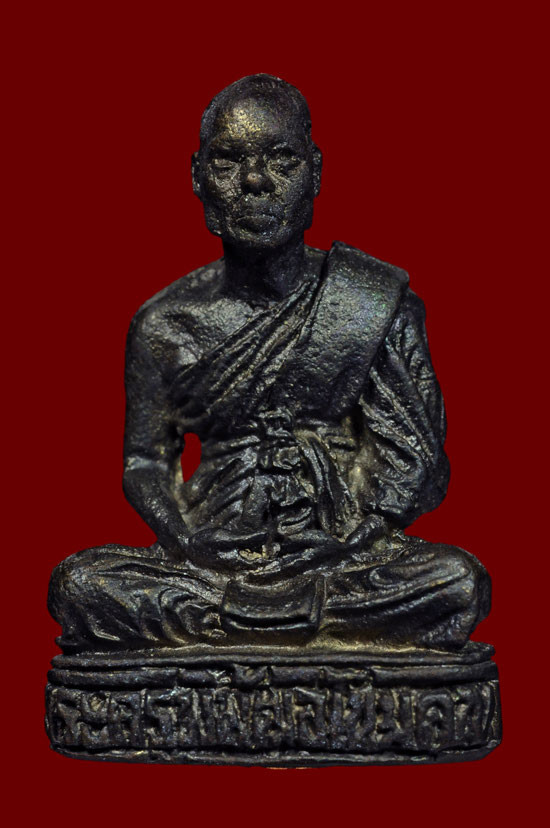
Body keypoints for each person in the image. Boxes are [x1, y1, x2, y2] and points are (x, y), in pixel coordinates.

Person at [48, 74, 490, 652]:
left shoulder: (371, 303)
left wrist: (357, 536)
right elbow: (145, 461)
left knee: (457, 581)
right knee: (80, 585)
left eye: (282, 161)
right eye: (228, 162)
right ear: (197, 177)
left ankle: (241, 624)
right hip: (212, 559)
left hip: (340, 555)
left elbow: (415, 459)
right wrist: (184, 540)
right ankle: (275, 621)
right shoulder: (165, 325)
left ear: (316, 173)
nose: (255, 182)